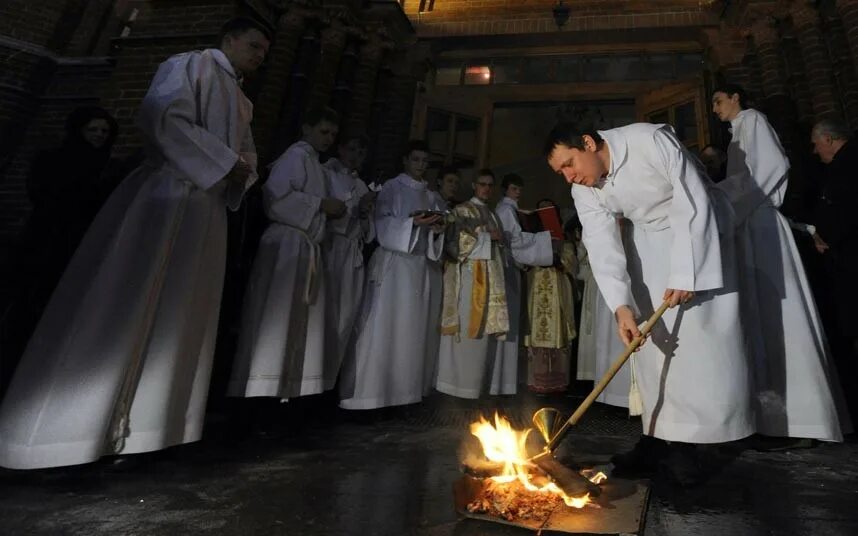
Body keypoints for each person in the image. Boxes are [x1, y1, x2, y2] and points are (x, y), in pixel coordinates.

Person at [0, 17, 270, 469]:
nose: (260, 55)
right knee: (127, 300)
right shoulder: (192, 64)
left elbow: (246, 154)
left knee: (179, 314)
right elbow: (162, 116)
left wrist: (239, 168)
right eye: (254, 45)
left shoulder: (242, 98)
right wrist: (225, 163)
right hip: (167, 196)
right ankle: (70, 433)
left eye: (265, 50)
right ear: (228, 39)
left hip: (205, 209)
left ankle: (148, 428)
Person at [545, 121, 753, 484]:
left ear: (589, 143)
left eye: (569, 164)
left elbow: (693, 198)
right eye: (560, 171)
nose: (568, 177)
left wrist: (686, 271)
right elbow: (601, 245)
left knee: (699, 348)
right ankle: (657, 439)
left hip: (698, 234)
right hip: (650, 246)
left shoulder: (649, 140)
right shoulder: (585, 189)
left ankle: (701, 447)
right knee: (654, 349)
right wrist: (621, 306)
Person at [712, 85, 850, 442]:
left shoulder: (753, 119)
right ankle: (770, 417)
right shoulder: (736, 132)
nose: (714, 109)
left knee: (779, 316)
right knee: (761, 316)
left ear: (736, 98)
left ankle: (801, 419)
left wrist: (731, 204)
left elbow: (772, 167)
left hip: (759, 224)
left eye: (718, 100)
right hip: (748, 224)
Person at [229, 106, 346, 401]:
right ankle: (260, 393)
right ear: (307, 129)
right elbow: (275, 197)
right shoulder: (295, 156)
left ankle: (285, 392)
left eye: (333, 134)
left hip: (305, 246)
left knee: (297, 321)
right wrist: (320, 204)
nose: (328, 138)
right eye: (323, 131)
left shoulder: (316, 165)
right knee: (276, 318)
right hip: (286, 246)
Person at [339, 140, 446, 410]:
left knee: (413, 330)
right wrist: (411, 224)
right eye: (416, 160)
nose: (420, 165)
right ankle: (372, 395)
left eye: (425, 161)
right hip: (395, 265)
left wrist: (436, 230)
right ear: (405, 161)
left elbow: (440, 231)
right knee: (386, 326)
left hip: (419, 267)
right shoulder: (392, 188)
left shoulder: (432, 196)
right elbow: (382, 223)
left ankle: (406, 394)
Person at [435, 171, 508, 398]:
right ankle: (455, 386)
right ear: (474, 185)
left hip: (489, 280)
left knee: (482, 335)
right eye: (482, 184)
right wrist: (488, 238)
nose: (486, 189)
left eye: (490, 185)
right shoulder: (462, 210)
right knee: (467, 330)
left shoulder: (493, 214)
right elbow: (455, 244)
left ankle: (475, 388)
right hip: (469, 279)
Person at [808, 118, 858, 424]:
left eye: (816, 144)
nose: (815, 151)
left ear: (828, 139)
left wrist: (826, 235)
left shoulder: (847, 165)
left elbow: (847, 208)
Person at [321, 133, 377, 376]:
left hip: (352, 254)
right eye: (352, 149)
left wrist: (365, 213)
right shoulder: (326, 175)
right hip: (332, 249)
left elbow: (369, 232)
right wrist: (354, 209)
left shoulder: (362, 185)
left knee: (346, 317)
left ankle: (332, 377)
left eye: (361, 153)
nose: (356, 157)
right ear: (341, 149)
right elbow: (328, 212)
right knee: (326, 313)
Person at [524, 199, 577, 394]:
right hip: (536, 290)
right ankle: (536, 382)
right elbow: (524, 261)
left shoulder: (564, 239)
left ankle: (557, 383)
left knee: (558, 333)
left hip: (557, 291)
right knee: (536, 334)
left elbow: (571, 263)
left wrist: (558, 258)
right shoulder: (530, 238)